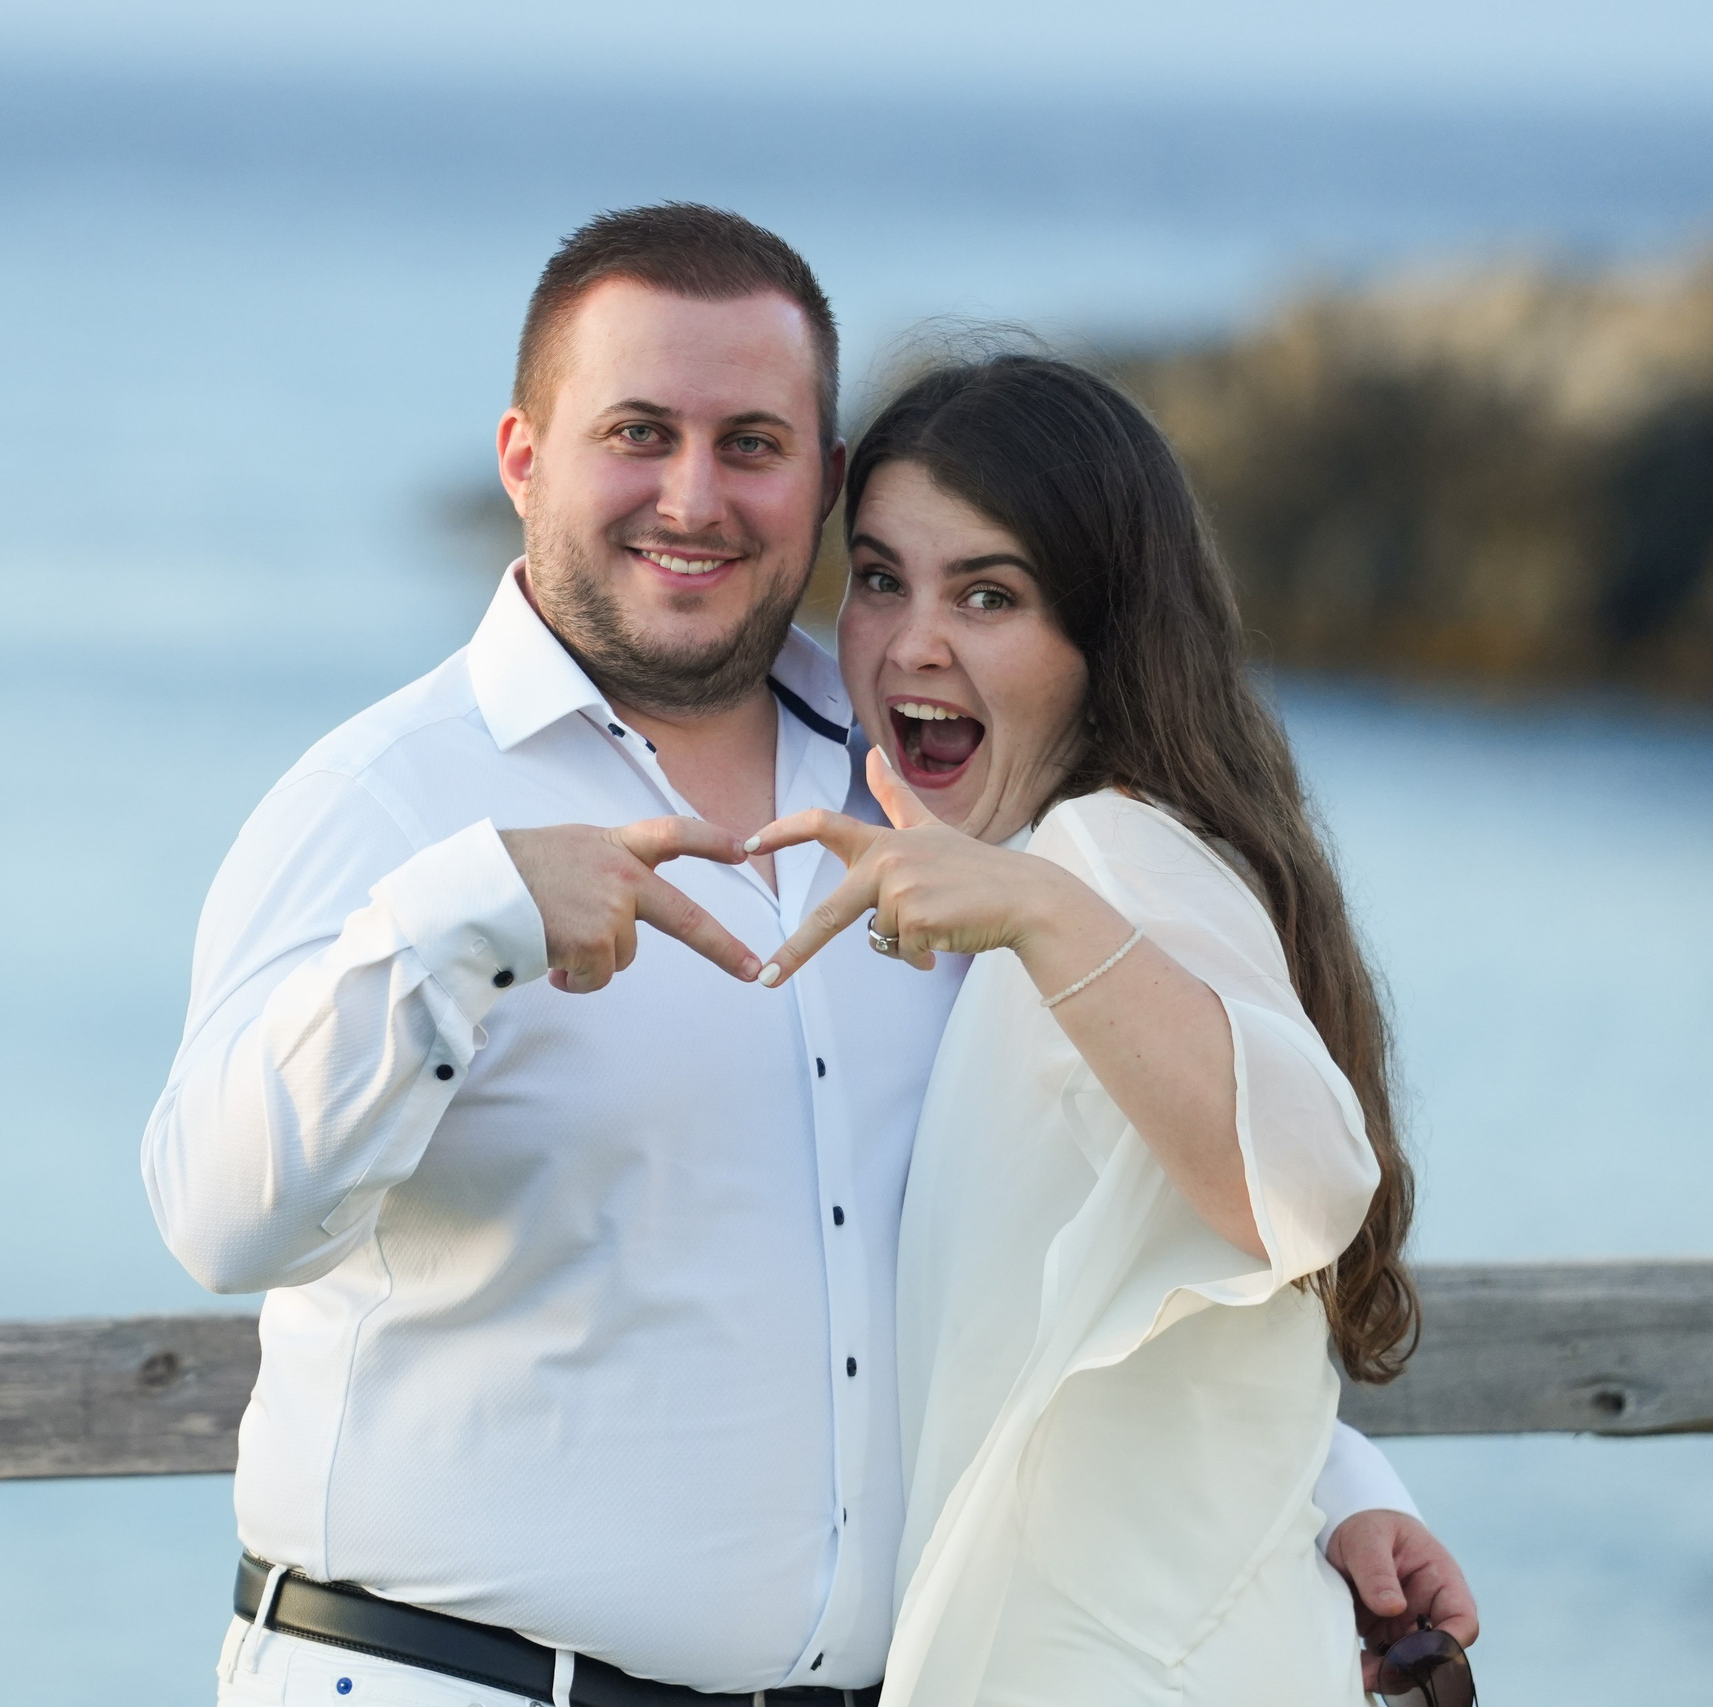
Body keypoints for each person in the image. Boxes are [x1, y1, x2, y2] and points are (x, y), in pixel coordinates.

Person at [143, 203, 1475, 1706]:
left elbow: (1073, 1229)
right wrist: (470, 923)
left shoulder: (932, 792)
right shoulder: (385, 800)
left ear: (823, 481)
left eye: (753, 444)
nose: (693, 497)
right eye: (639, 432)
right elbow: (218, 1220)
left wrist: (1333, 1482)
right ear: (524, 457)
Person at [746, 355, 1441, 1703]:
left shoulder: (1107, 857)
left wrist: (1043, 911)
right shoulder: (1054, 864)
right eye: (880, 577)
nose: (910, 642)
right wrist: (1349, 1483)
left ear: (1102, 637)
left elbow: (1307, 1188)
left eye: (988, 595)